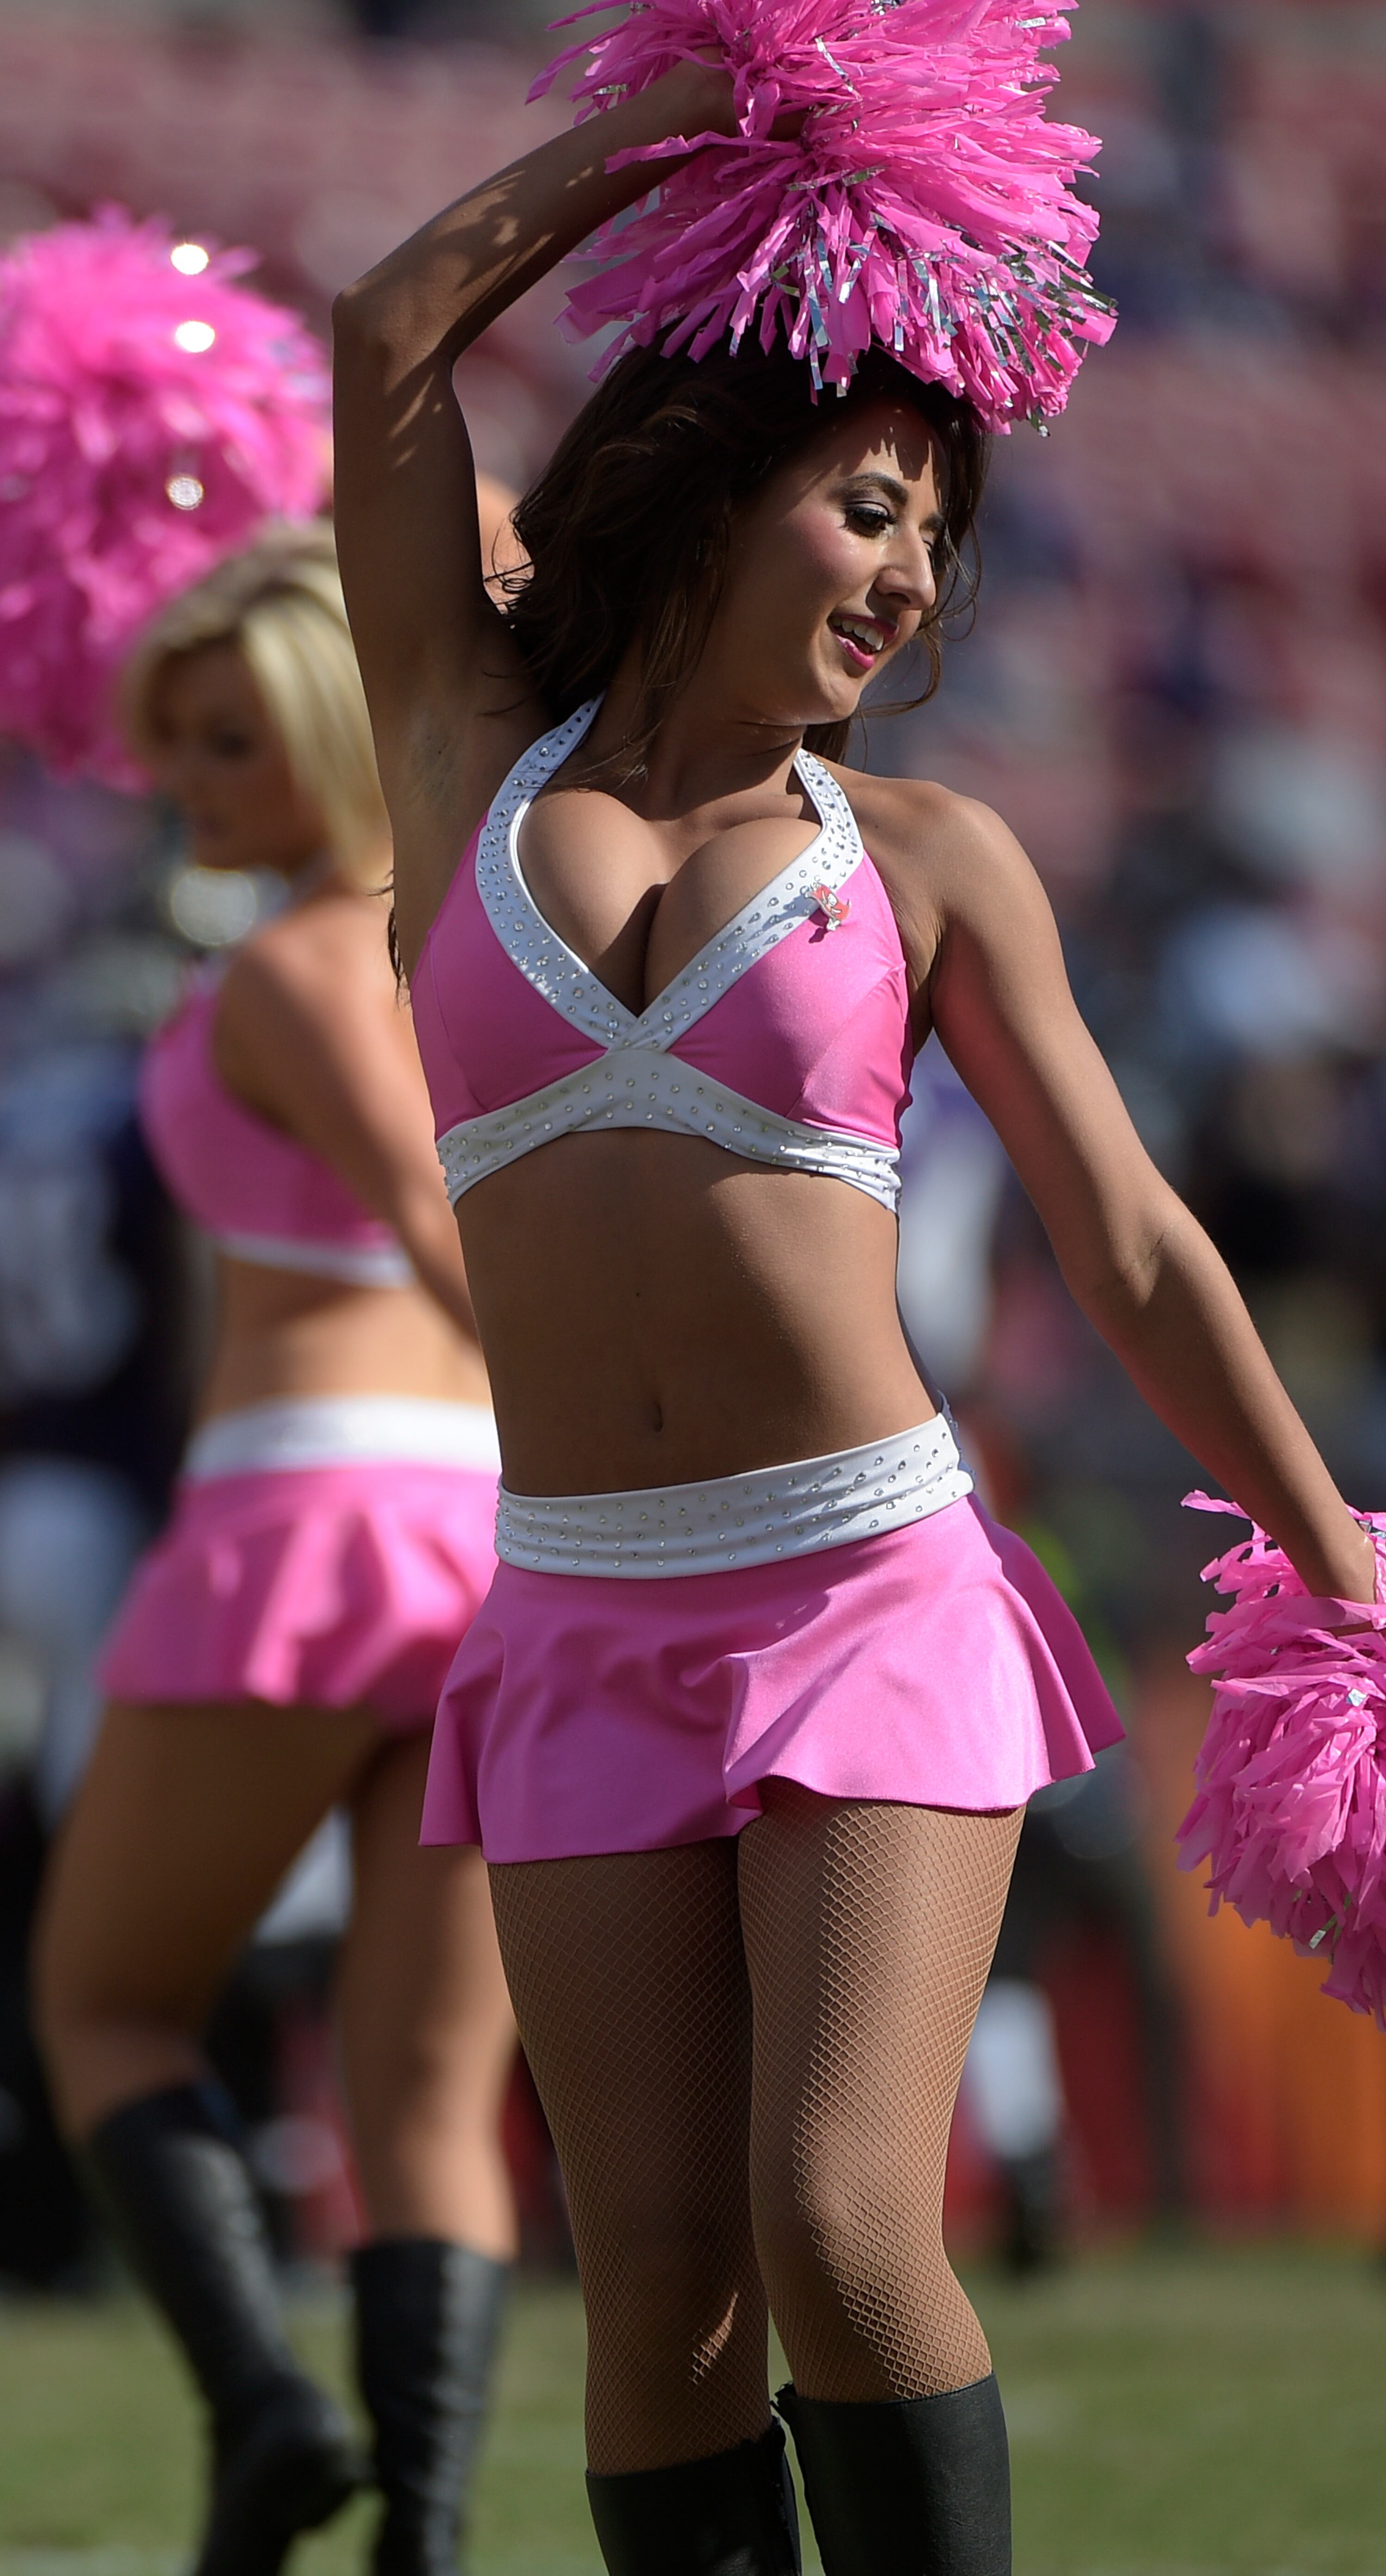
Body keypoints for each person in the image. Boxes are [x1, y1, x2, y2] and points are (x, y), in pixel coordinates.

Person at [329, 58, 1376, 2576]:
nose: (910, 582)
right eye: (873, 503)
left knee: (835, 2214)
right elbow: (384, 332)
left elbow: (1131, 1240)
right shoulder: (466, 741)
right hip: (575, 1606)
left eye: (938, 541)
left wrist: (1350, 1572)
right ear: (712, 469)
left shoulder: (927, 854)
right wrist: (697, 125)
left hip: (863, 1590)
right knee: (659, 2272)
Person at [32, 528, 517, 2576]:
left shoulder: (311, 957)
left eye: (233, 743)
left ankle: (264, 2413)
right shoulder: (488, 940)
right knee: (422, 2097)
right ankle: (418, 2536)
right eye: (178, 748)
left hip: (303, 1513)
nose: (192, 786)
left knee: (104, 2004)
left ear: (333, 738)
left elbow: (442, 1225)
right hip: (489, 1534)